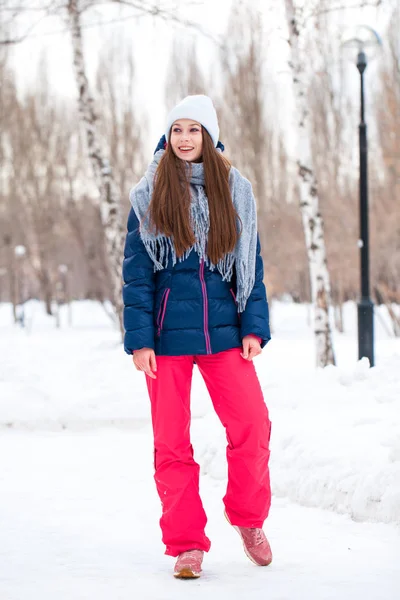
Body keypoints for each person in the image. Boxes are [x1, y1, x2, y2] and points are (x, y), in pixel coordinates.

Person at [123, 95, 272, 579]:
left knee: (252, 424)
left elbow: (251, 265)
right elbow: (137, 274)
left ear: (208, 136)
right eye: (177, 130)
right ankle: (187, 544)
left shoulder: (236, 191)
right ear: (167, 137)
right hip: (165, 341)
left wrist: (253, 326)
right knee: (171, 443)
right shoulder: (149, 195)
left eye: (194, 129)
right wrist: (140, 340)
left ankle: (248, 518)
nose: (184, 138)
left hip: (225, 334)